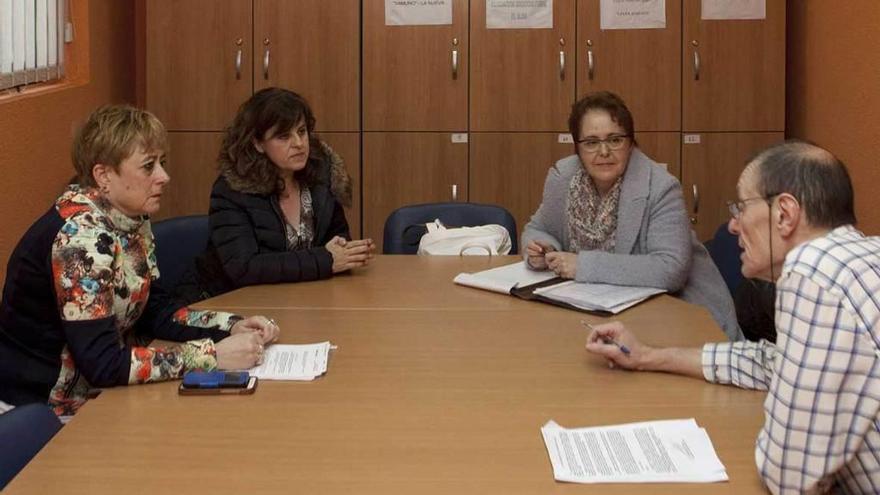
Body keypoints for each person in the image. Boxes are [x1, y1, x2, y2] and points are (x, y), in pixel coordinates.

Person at [585, 141, 879, 494]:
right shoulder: (858, 258)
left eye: (741, 208)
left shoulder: (813, 274)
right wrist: (648, 355)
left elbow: (790, 477)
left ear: (784, 213)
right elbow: (772, 363)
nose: (733, 226)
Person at [0, 105, 279, 417]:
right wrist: (210, 355)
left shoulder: (129, 216)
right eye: (148, 167)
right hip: (46, 411)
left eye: (162, 163)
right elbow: (103, 364)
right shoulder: (81, 240)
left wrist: (230, 325)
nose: (164, 177)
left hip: (98, 394)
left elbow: (153, 311)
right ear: (103, 175)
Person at [523, 91, 740, 340]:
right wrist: (542, 248)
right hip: (598, 313)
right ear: (578, 147)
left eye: (614, 140)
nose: (603, 151)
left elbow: (670, 270)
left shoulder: (660, 187)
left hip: (680, 317)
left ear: (631, 142)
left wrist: (581, 265)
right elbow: (538, 227)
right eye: (591, 142)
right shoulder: (563, 178)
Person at [175, 88, 374, 304]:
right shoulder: (232, 190)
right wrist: (325, 260)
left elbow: (337, 240)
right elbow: (244, 268)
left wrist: (349, 252)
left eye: (302, 131)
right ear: (258, 143)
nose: (298, 143)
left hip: (300, 303)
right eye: (283, 136)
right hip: (229, 306)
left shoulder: (320, 176)